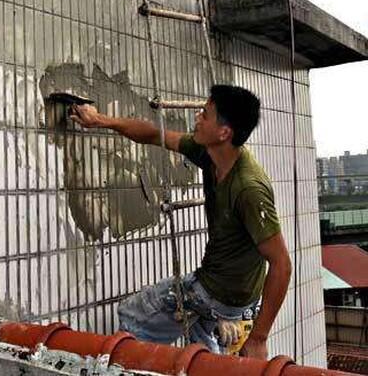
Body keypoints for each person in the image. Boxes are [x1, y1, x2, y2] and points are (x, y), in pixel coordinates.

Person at [70, 84, 292, 359]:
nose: (197, 118)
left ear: (224, 132)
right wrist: (100, 120)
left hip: (217, 294)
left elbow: (282, 264)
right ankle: (215, 340)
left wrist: (259, 338)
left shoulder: (248, 188)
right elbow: (153, 134)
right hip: (228, 294)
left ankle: (210, 325)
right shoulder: (210, 153)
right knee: (201, 348)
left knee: (132, 317)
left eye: (205, 115)